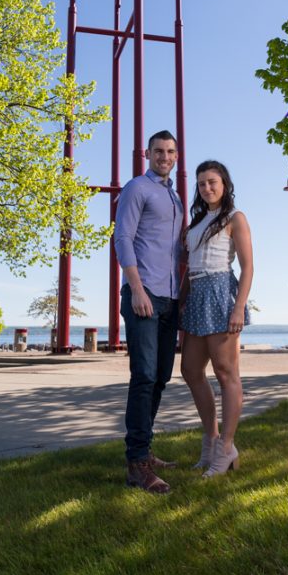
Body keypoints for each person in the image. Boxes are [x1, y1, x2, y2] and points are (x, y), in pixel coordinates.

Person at [114, 130, 183, 494]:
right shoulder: (136, 188)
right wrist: (137, 288)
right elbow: (122, 238)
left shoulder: (174, 196)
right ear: (147, 153)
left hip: (169, 300)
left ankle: (145, 449)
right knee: (142, 377)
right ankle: (136, 463)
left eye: (171, 151)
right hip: (144, 295)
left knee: (160, 378)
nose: (165, 156)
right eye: (159, 151)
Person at [180, 160, 253, 477]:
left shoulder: (235, 218)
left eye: (212, 182)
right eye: (201, 184)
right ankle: (210, 439)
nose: (206, 188)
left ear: (224, 184)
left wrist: (239, 307)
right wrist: (181, 302)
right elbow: (187, 267)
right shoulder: (196, 222)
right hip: (196, 294)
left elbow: (248, 266)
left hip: (221, 291)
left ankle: (226, 447)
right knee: (190, 369)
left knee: (226, 373)